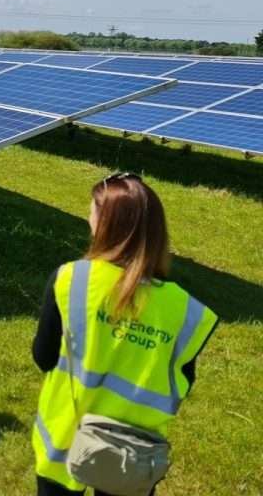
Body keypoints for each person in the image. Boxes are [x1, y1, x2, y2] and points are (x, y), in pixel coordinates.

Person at [31, 173, 218, 495]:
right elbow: (183, 382)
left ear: (104, 223)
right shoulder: (187, 311)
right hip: (133, 454)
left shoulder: (70, 280)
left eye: (91, 211)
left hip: (64, 436)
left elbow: (44, 356)